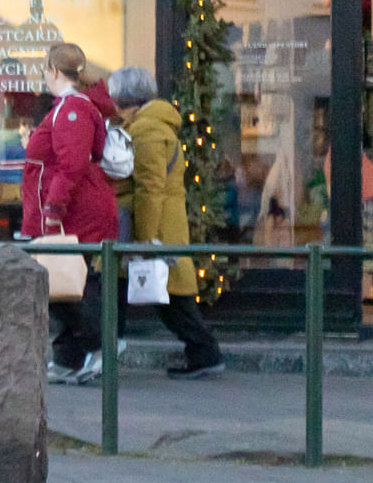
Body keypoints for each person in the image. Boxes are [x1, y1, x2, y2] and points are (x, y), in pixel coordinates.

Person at [106, 65, 224, 376]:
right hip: (161, 223)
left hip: (152, 225)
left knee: (167, 295)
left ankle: (205, 352)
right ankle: (203, 352)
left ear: (121, 97)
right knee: (164, 294)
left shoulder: (146, 130)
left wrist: (145, 238)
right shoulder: (154, 125)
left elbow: (149, 187)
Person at [20, 42, 121, 384]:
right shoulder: (70, 107)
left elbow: (72, 165)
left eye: (45, 69)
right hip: (72, 209)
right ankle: (70, 356)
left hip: (74, 212)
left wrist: (53, 209)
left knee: (67, 283)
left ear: (53, 71)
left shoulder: (72, 109)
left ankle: (101, 345)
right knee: (62, 281)